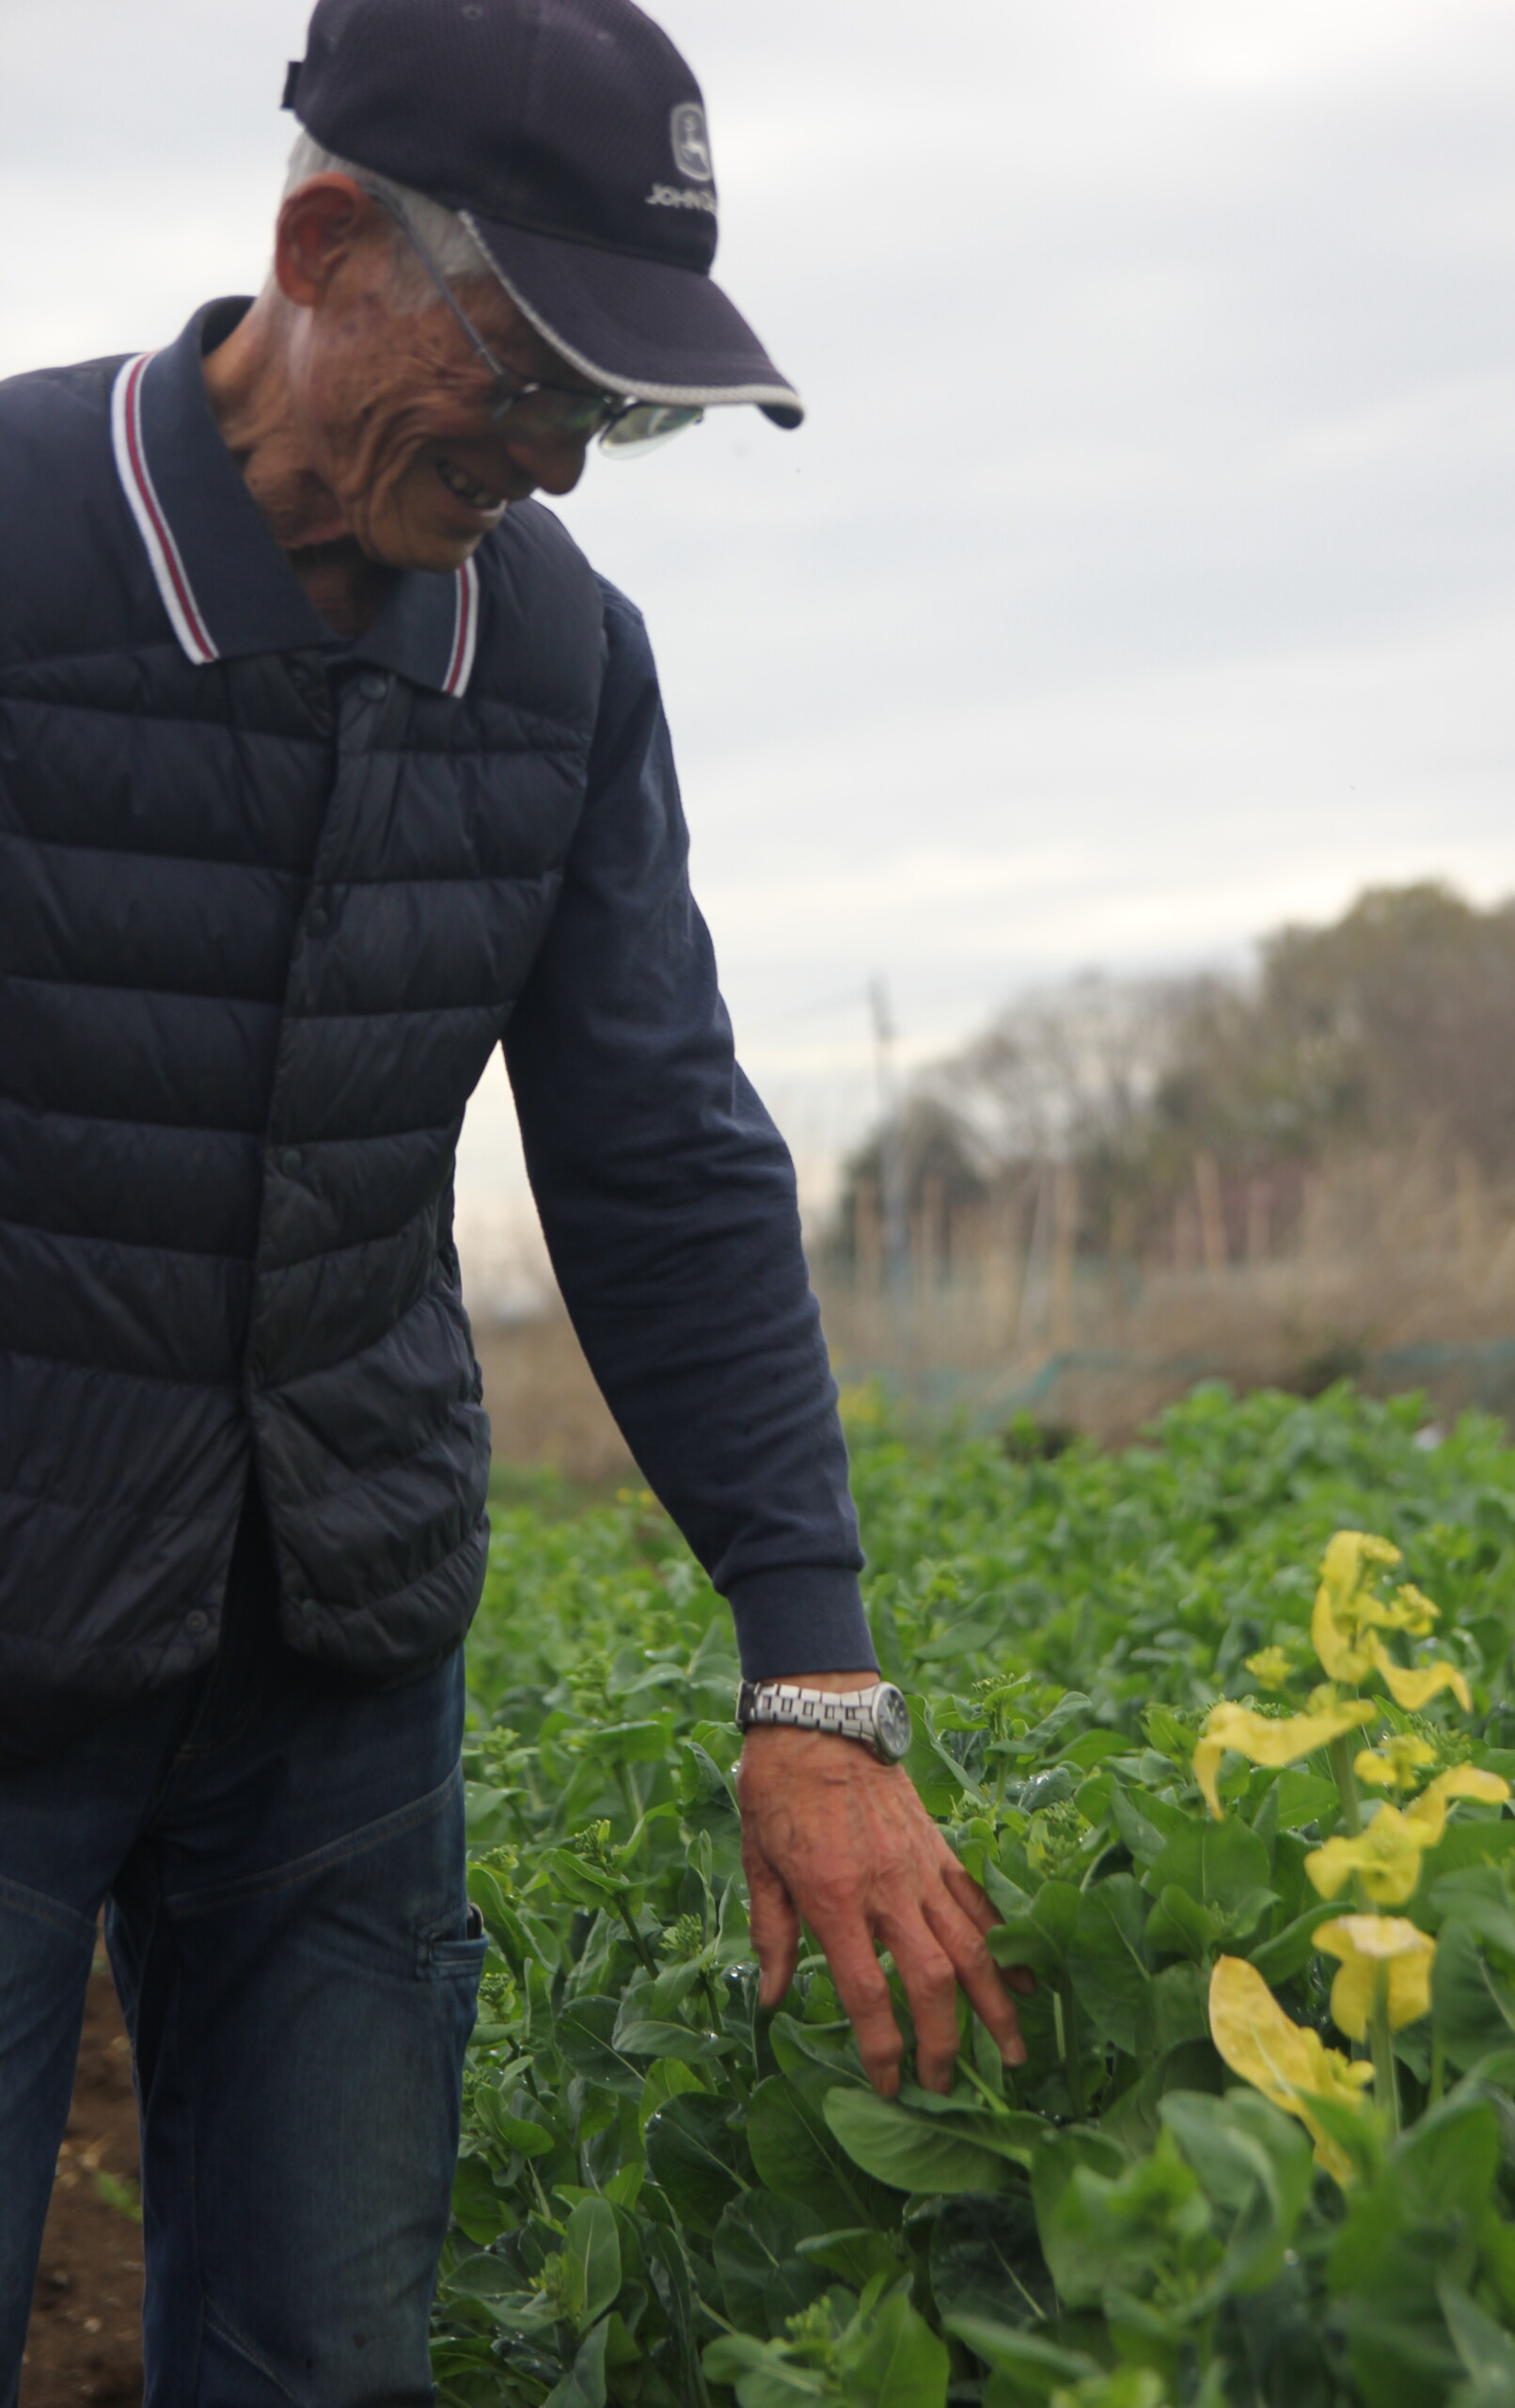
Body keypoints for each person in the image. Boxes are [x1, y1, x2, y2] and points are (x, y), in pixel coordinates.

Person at [0, 0, 1026, 2394]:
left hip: (330, 1656)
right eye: (537, 366)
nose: (560, 460)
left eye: (624, 407)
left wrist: (817, 1677)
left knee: (326, 2355)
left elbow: (660, 1157)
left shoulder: (557, 662)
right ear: (323, 243)